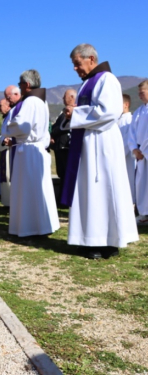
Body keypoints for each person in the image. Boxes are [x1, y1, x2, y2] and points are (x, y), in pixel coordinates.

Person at [62, 43, 138, 258]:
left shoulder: (107, 80)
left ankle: (109, 242)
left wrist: (76, 112)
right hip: (87, 144)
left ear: (91, 59)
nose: (75, 69)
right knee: (89, 192)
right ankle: (89, 239)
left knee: (103, 190)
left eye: (77, 64)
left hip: (102, 144)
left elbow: (109, 111)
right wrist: (75, 114)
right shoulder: (86, 84)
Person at [3, 69, 59, 237]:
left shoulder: (30, 102)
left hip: (26, 151)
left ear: (27, 84)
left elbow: (22, 126)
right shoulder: (43, 102)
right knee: (38, 189)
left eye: (20, 85)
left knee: (27, 191)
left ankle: (28, 227)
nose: (20, 88)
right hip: (37, 150)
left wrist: (7, 127)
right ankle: (42, 225)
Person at [50, 89, 76, 202]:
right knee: (61, 173)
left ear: (71, 97)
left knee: (67, 174)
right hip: (59, 148)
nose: (62, 98)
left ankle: (66, 199)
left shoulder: (76, 111)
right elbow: (56, 127)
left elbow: (64, 127)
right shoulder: (63, 112)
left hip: (67, 148)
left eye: (64, 96)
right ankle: (62, 198)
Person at [0, 87, 22, 206]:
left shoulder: (13, 113)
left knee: (9, 177)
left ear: (7, 106)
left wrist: (8, 139)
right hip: (6, 149)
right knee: (5, 177)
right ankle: (6, 202)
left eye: (0, 105)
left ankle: (10, 203)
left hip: (11, 149)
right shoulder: (7, 116)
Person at [128, 80, 148, 224]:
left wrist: (144, 150)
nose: (140, 95)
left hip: (146, 150)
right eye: (139, 93)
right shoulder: (138, 112)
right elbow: (132, 133)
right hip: (141, 154)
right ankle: (144, 213)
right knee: (141, 184)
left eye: (142, 92)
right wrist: (134, 149)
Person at [118, 94, 135, 204]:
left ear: (126, 105)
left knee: (129, 182)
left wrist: (118, 155)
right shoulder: (116, 120)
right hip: (117, 157)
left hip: (127, 157)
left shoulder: (130, 120)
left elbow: (129, 140)